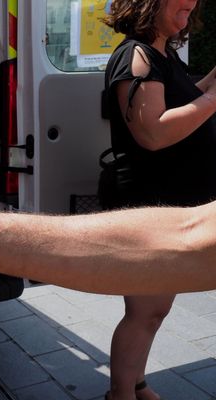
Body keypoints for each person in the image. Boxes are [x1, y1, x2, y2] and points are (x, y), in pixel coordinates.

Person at [101, 0, 216, 398]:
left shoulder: (161, 54)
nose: (192, 4)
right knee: (145, 310)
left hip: (165, 206)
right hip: (148, 206)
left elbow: (179, 104)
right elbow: (152, 132)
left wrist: (209, 84)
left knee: (155, 308)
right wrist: (214, 98)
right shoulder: (136, 56)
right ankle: (120, 394)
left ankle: (136, 383)